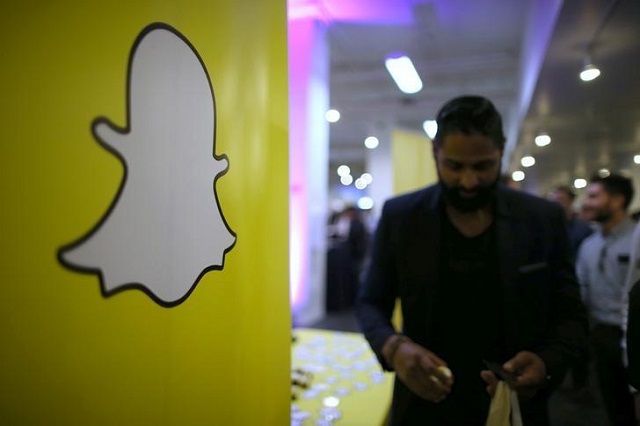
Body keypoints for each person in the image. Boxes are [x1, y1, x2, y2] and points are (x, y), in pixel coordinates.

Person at [356, 95, 588, 425]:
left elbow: (571, 314)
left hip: (515, 405)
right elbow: (369, 302)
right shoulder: (402, 217)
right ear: (434, 154)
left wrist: (546, 362)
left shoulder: (542, 219)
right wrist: (393, 346)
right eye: (454, 166)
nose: (468, 181)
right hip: (425, 401)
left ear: (501, 152)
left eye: (483, 166)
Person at [576, 173, 637, 426]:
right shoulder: (588, 245)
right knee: (614, 407)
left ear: (617, 200)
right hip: (601, 335)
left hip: (633, 335)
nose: (586, 203)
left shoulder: (636, 239)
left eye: (593, 196)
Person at [548, 185, 595, 392]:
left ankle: (580, 382)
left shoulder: (581, 229)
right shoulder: (547, 226)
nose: (556, 203)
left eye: (560, 199)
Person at [548, 185, 595, 263]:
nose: (556, 204)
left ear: (571, 201)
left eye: (561, 200)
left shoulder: (583, 228)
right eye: (554, 201)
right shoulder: (549, 228)